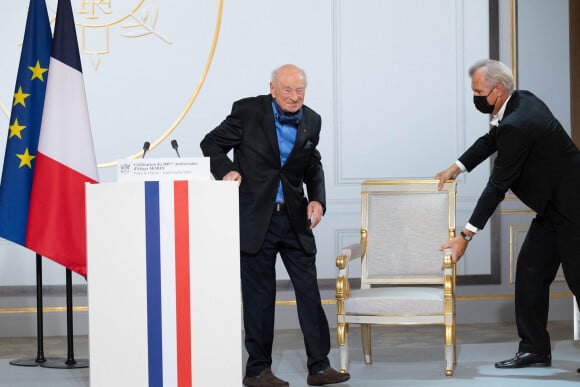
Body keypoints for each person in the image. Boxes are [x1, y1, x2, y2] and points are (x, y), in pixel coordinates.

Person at [200, 64, 350, 387]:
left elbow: (313, 165)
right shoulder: (247, 112)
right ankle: (257, 370)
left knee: (308, 290)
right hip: (256, 219)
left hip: (294, 219)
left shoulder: (312, 120)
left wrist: (317, 200)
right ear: (272, 88)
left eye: (300, 91)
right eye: (287, 90)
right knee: (259, 297)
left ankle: (319, 367)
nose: (295, 97)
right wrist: (226, 170)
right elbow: (210, 144)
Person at [436, 59, 580, 370]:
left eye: (478, 91)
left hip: (575, 208)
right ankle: (534, 350)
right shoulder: (519, 101)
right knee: (530, 271)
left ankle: (535, 349)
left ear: (498, 90)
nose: (475, 97)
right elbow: (492, 139)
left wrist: (465, 236)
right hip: (553, 207)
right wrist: (457, 167)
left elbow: (497, 185)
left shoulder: (518, 123)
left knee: (579, 279)